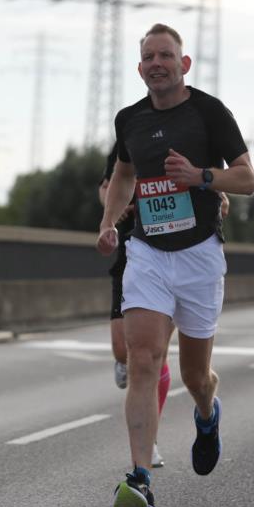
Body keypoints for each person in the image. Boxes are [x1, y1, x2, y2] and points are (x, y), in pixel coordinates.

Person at [96, 23, 254, 507]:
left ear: (183, 65)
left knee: (194, 376)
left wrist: (202, 177)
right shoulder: (130, 120)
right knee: (143, 359)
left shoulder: (209, 113)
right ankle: (140, 479)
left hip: (199, 255)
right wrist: (109, 224)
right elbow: (123, 174)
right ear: (140, 67)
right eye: (148, 56)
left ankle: (207, 413)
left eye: (166, 55)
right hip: (147, 251)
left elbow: (248, 179)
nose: (156, 63)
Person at [99, 143, 170, 467]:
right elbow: (107, 186)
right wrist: (114, 211)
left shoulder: (184, 136)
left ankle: (149, 440)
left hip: (166, 257)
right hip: (128, 254)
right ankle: (124, 362)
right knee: (122, 349)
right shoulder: (128, 138)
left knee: (153, 355)